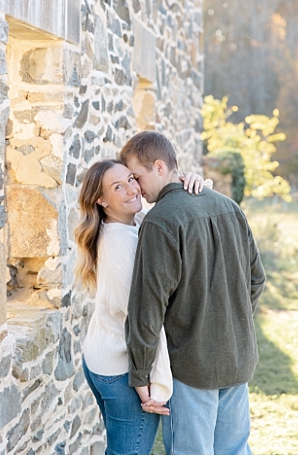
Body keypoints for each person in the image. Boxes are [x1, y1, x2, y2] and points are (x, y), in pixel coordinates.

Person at [120, 131, 266, 455]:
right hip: (237, 357)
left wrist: (141, 376)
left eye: (137, 176)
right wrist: (232, 324)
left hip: (189, 367)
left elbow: (147, 307)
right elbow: (257, 279)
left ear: (159, 167)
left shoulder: (159, 222)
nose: (135, 188)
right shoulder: (230, 207)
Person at [74, 159, 207, 454]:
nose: (132, 189)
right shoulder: (120, 244)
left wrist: (189, 182)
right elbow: (143, 318)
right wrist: (147, 387)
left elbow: (169, 210)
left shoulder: (133, 222)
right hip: (122, 369)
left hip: (103, 355)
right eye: (117, 187)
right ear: (101, 200)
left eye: (131, 179)